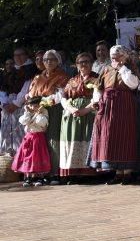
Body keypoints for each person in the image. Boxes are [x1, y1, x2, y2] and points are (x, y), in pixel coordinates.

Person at [89, 45, 140, 184]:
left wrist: (122, 68)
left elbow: (133, 84)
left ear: (124, 56)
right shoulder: (106, 69)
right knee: (111, 137)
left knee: (125, 136)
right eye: (112, 56)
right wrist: (96, 100)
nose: (114, 58)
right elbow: (98, 88)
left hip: (124, 105)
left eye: (117, 56)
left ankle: (127, 172)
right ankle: (117, 172)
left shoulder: (130, 68)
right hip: (108, 106)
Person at [25, 50, 69, 184]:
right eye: (45, 60)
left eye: (52, 59)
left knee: (52, 140)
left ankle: (54, 173)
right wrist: (31, 102)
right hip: (37, 111)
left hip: (53, 110)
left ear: (58, 61)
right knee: (38, 142)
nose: (48, 62)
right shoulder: (38, 77)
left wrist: (42, 102)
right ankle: (39, 173)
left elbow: (60, 95)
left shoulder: (62, 76)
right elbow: (30, 94)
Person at [57, 53, 98, 180]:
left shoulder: (97, 78)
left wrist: (86, 109)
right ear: (77, 65)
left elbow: (99, 97)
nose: (83, 64)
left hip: (89, 114)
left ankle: (89, 172)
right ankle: (73, 173)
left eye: (86, 62)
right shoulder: (72, 80)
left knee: (88, 139)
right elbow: (63, 97)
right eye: (80, 62)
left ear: (91, 64)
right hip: (72, 115)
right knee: (72, 141)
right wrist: (71, 109)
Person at [1, 47, 38, 155]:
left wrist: (15, 104)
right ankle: (9, 163)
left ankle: (22, 160)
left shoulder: (30, 69)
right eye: (15, 55)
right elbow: (3, 88)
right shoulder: (13, 70)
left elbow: (26, 88)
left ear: (26, 55)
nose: (18, 57)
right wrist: (5, 103)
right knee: (7, 135)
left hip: (21, 105)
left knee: (20, 132)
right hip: (8, 105)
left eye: (20, 54)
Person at [11, 100, 50, 186]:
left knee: (38, 157)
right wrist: (27, 112)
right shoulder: (27, 113)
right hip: (28, 138)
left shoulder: (44, 112)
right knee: (27, 157)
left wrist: (39, 113)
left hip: (38, 138)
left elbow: (42, 123)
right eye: (31, 105)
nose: (33, 108)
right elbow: (23, 121)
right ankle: (28, 178)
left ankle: (40, 177)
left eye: (36, 105)